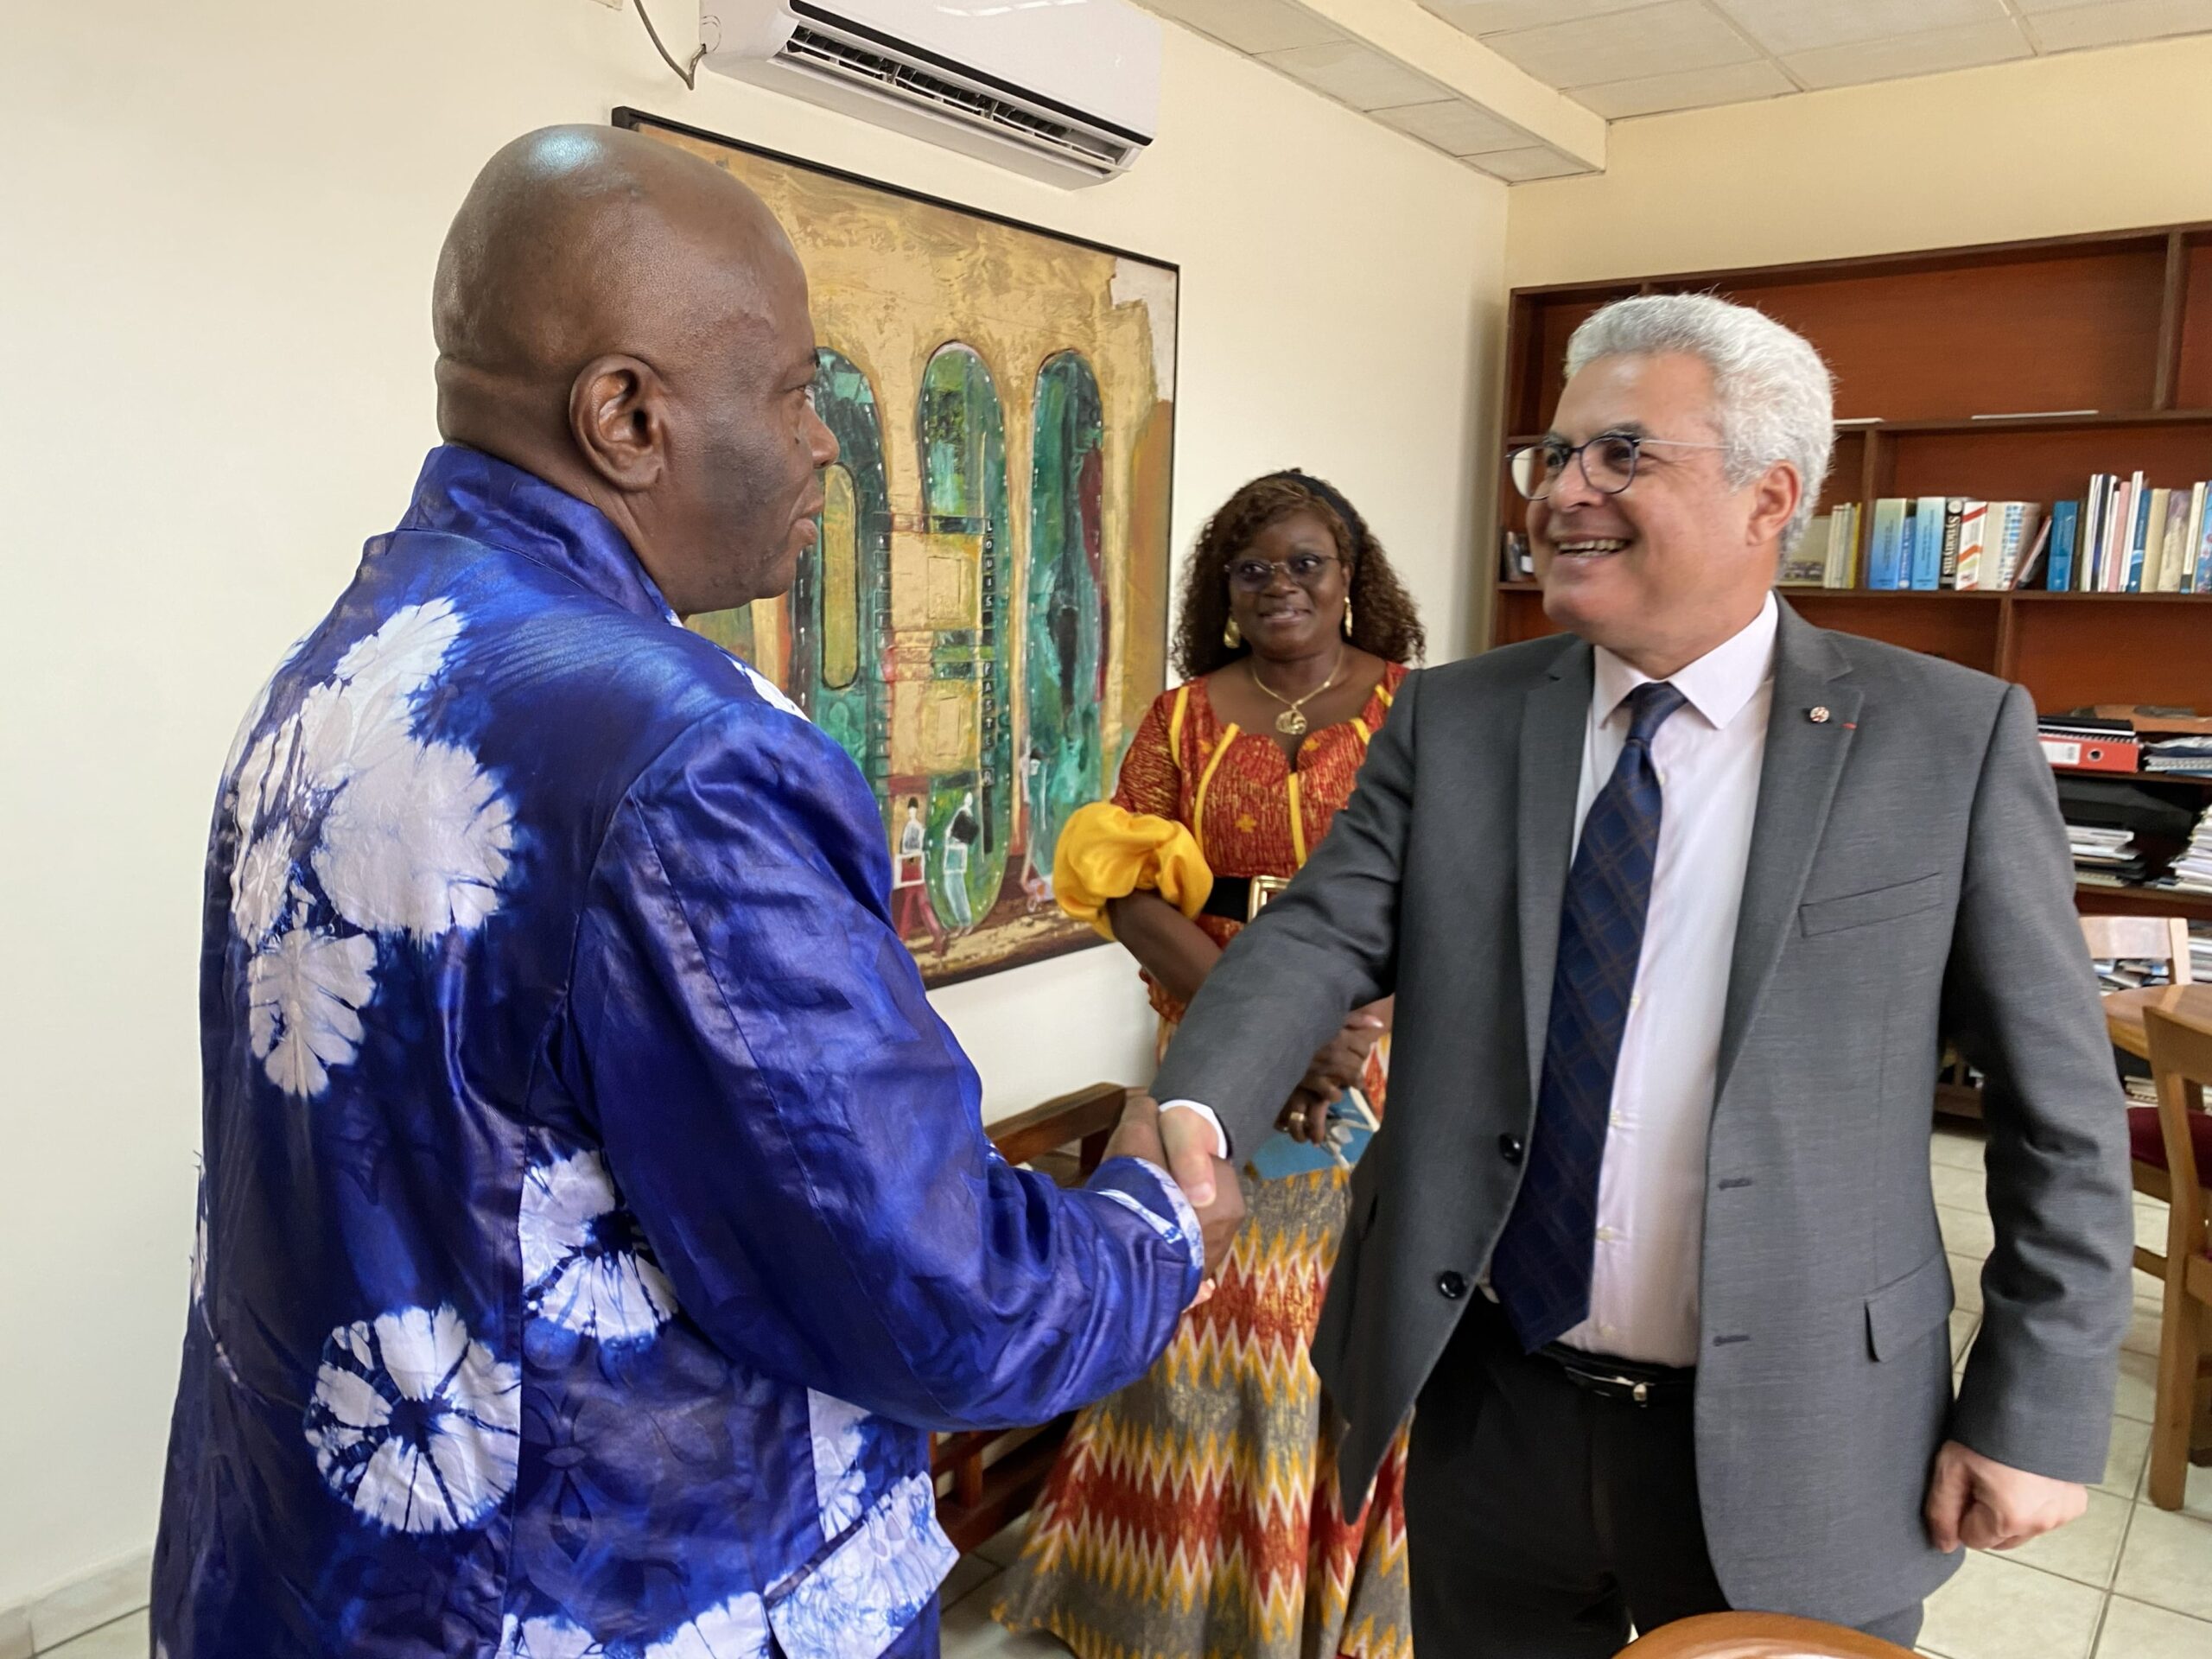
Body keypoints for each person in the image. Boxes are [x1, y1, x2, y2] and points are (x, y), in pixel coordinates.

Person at [152, 125, 1238, 1659]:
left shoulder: (339, 668)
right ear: (626, 416)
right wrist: (1154, 1220)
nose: (825, 443)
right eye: (794, 389)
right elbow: (943, 1303)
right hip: (604, 1596)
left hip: (314, 1577)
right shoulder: (687, 756)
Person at [1148, 296, 2133, 1654]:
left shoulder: (1944, 741)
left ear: (1768, 495)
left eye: (1621, 454)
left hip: (1803, 1431)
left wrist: (2037, 1407)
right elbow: (1318, 932)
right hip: (1494, 1402)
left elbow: (2060, 1109)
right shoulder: (1459, 718)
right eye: (1554, 455)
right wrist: (1194, 1110)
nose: (1563, 493)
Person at [995, 472, 1426, 1659]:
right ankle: (1170, 1605)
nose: (1280, 586)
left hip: (1373, 1061)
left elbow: (1453, 887)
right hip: (1211, 1047)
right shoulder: (1180, 721)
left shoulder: (1416, 709)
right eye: (1252, 570)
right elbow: (1122, 889)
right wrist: (1263, 1023)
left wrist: (1340, 1026)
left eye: (1305, 563)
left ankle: (1314, 1611)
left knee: (1331, 1327)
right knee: (1198, 1309)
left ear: (1350, 577)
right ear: (1222, 593)